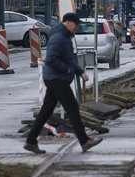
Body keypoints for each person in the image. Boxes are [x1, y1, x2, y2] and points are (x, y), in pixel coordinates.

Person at [24, 13, 102, 154]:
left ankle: (30, 141)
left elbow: (69, 59)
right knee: (72, 108)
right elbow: (52, 59)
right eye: (75, 24)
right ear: (68, 23)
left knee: (46, 111)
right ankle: (84, 141)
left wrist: (79, 72)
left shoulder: (63, 37)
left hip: (55, 78)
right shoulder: (59, 38)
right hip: (57, 78)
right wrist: (66, 69)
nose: (77, 27)